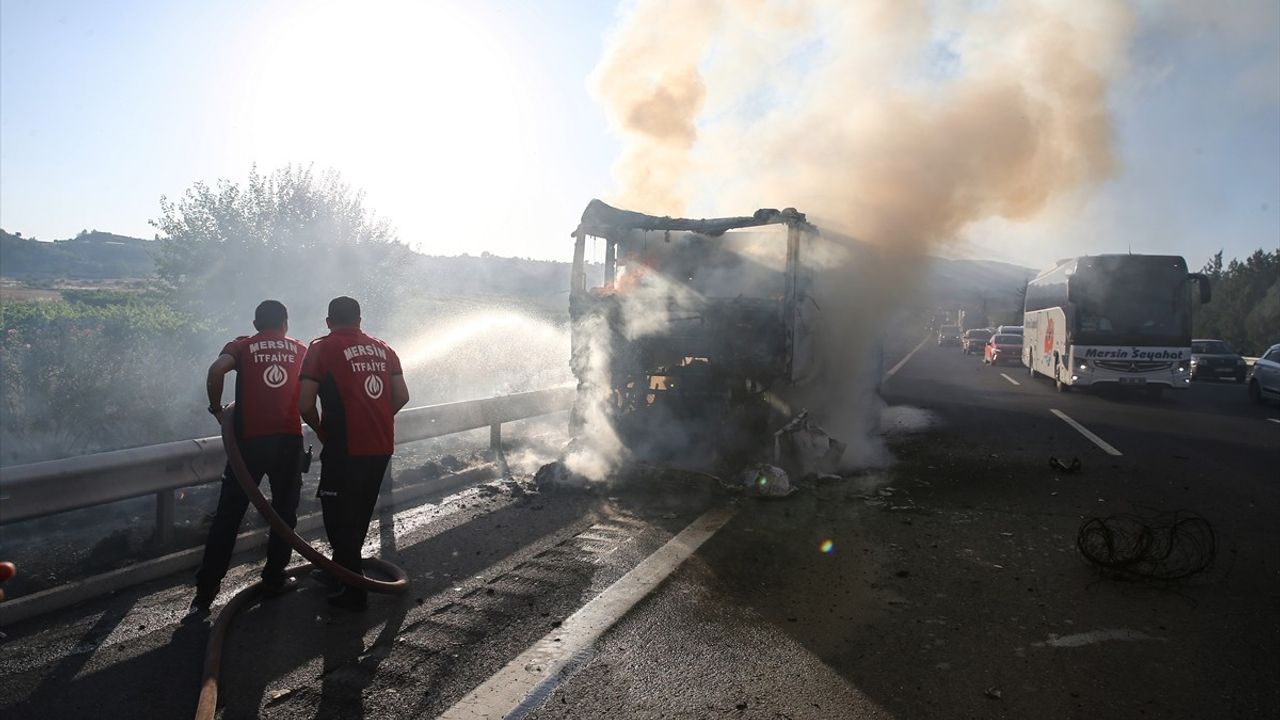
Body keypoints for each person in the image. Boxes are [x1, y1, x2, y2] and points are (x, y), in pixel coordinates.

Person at [191, 300, 307, 614]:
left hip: (249, 443)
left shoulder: (243, 345)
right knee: (284, 514)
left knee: (228, 516)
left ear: (255, 325)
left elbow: (217, 370)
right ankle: (274, 579)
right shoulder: (300, 349)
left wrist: (217, 409)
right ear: (285, 323)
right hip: (288, 441)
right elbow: (313, 391)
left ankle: (205, 590)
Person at [299, 296, 410, 611]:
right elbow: (401, 395)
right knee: (359, 513)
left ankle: (353, 591)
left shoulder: (322, 347)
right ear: (360, 321)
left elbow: (305, 403)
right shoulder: (384, 349)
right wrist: (376, 418)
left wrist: (320, 429)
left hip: (345, 447)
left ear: (329, 321)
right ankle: (340, 574)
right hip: (381, 446)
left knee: (337, 518)